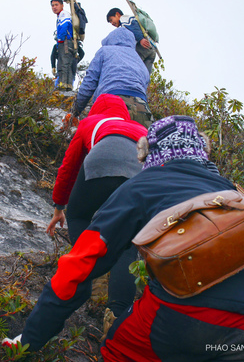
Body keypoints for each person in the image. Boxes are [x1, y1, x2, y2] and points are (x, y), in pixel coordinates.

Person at [8, 115, 244, 361]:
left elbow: (80, 265)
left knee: (118, 350)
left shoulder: (142, 186)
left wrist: (30, 339)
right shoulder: (234, 193)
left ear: (151, 154)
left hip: (186, 319)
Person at [47, 93, 147, 320]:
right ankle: (116, 315)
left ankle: (90, 272)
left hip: (101, 160)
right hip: (138, 174)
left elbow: (69, 168)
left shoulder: (90, 123)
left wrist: (60, 207)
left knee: (79, 215)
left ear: (96, 110)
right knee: (127, 245)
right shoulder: (141, 129)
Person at [71, 27, 153, 128]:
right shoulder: (139, 61)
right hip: (142, 106)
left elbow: (89, 82)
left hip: (110, 101)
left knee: (104, 140)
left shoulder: (105, 51)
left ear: (110, 39)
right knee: (140, 141)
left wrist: (76, 110)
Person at [107, 8, 157, 73]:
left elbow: (134, 27)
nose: (112, 23)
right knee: (145, 73)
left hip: (143, 46)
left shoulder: (124, 19)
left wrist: (141, 39)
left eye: (111, 20)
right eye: (110, 22)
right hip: (152, 49)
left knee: (131, 66)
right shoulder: (128, 20)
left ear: (117, 14)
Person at [51, 0, 76, 91]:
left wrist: (60, 38)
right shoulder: (60, 15)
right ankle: (67, 85)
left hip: (65, 41)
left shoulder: (63, 14)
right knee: (66, 63)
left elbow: (64, 26)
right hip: (66, 41)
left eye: (56, 5)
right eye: (52, 5)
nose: (54, 7)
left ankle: (63, 85)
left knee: (63, 63)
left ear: (62, 5)